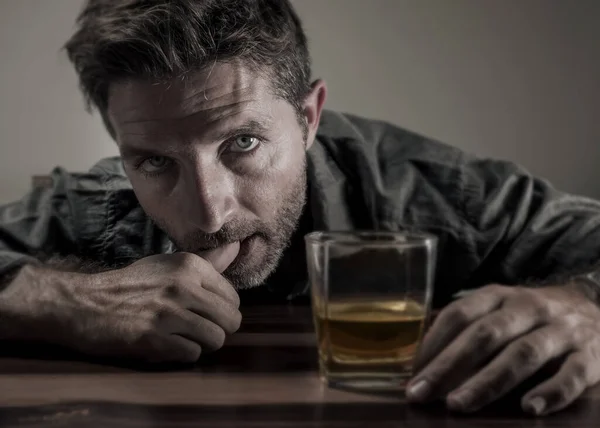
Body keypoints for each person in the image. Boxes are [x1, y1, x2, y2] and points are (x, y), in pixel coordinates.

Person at [0, 0, 599, 417]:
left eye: (243, 142)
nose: (208, 214)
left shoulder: (429, 192)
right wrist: (63, 302)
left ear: (308, 117)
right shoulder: (97, 203)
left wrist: (584, 306)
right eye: (154, 162)